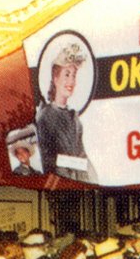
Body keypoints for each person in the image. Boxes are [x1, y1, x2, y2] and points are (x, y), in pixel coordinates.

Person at [33, 36, 95, 182]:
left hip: (81, 183)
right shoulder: (46, 116)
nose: (71, 82)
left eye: (74, 76)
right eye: (67, 74)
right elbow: (49, 160)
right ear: (55, 78)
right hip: (61, 184)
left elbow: (82, 155)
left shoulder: (74, 119)